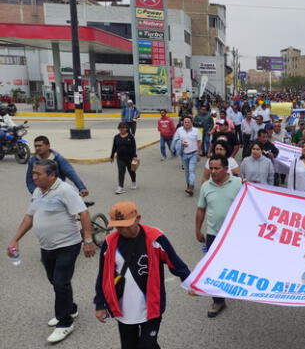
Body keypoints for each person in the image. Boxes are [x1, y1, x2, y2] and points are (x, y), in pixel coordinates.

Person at [7, 159, 96, 344]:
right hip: (47, 247)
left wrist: (88, 240)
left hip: (67, 245)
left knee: (60, 282)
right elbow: (29, 216)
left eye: (37, 174)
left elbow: (84, 213)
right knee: (54, 281)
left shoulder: (65, 190)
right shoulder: (38, 192)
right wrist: (15, 239)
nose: (33, 177)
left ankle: (65, 322)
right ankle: (70, 308)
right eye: (33, 173)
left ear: (51, 175)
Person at [94, 201, 191, 349]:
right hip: (124, 309)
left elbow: (175, 263)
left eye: (127, 225)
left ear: (138, 218)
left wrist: (191, 283)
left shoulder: (155, 238)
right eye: (118, 226)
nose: (122, 230)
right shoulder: (110, 242)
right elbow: (103, 276)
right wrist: (100, 304)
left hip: (150, 307)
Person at [196, 154, 243, 317]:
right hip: (213, 235)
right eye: (211, 168)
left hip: (234, 235)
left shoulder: (238, 184)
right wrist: (197, 230)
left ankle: (236, 288)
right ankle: (218, 301)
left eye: (217, 168)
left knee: (234, 265)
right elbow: (201, 209)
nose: (213, 171)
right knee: (214, 269)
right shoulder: (206, 187)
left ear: (225, 168)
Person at [174, 116, 201, 196]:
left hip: (193, 153)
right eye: (185, 122)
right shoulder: (179, 130)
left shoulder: (196, 131)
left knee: (191, 170)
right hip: (183, 154)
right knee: (186, 171)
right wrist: (181, 143)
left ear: (191, 123)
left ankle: (191, 187)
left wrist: (199, 153)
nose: (186, 123)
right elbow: (175, 140)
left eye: (188, 122)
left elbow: (199, 142)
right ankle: (188, 184)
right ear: (183, 122)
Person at [110, 122, 138, 194]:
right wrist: (112, 156)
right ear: (118, 128)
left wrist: (135, 156)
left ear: (126, 128)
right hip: (120, 158)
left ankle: (134, 182)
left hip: (130, 158)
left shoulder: (130, 137)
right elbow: (114, 147)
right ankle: (120, 187)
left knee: (131, 171)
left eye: (123, 128)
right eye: (120, 128)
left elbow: (134, 147)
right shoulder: (116, 137)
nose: (122, 129)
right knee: (121, 172)